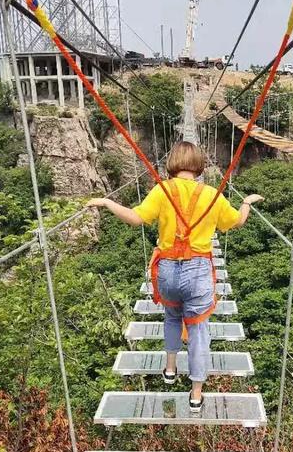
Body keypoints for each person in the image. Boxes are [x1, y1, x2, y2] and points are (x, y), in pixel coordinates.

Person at [87, 141, 262, 412]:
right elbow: (235, 222)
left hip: (167, 271)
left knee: (171, 316)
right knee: (198, 330)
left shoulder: (162, 190)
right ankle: (195, 394)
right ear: (198, 166)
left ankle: (170, 368)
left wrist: (108, 202)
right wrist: (246, 204)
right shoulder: (212, 195)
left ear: (172, 164)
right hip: (198, 272)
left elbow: (135, 218)